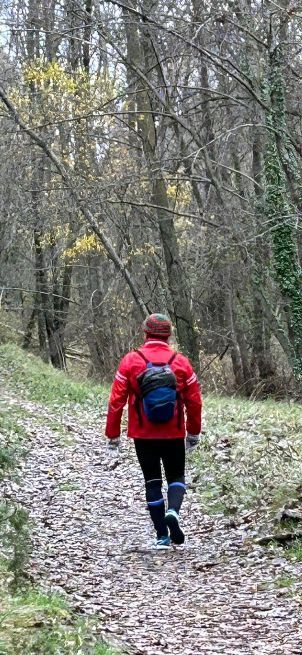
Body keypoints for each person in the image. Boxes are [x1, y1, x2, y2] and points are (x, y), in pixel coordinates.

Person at [105, 313, 202, 549]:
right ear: (168, 335)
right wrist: (193, 432)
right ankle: (174, 512)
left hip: (143, 434)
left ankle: (162, 536)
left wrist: (113, 435)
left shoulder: (131, 361)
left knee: (152, 481)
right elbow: (195, 401)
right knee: (176, 477)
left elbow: (116, 400)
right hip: (174, 433)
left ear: (145, 332)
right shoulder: (181, 362)